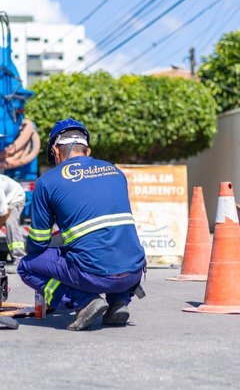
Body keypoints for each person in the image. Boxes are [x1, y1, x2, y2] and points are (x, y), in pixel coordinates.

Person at [18, 118, 146, 331]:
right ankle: (118, 302)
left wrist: (33, 249)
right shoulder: (115, 172)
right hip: (133, 272)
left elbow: (39, 242)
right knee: (112, 243)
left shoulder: (48, 182)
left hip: (94, 276)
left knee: (27, 266)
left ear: (56, 152)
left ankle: (84, 301)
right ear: (87, 151)